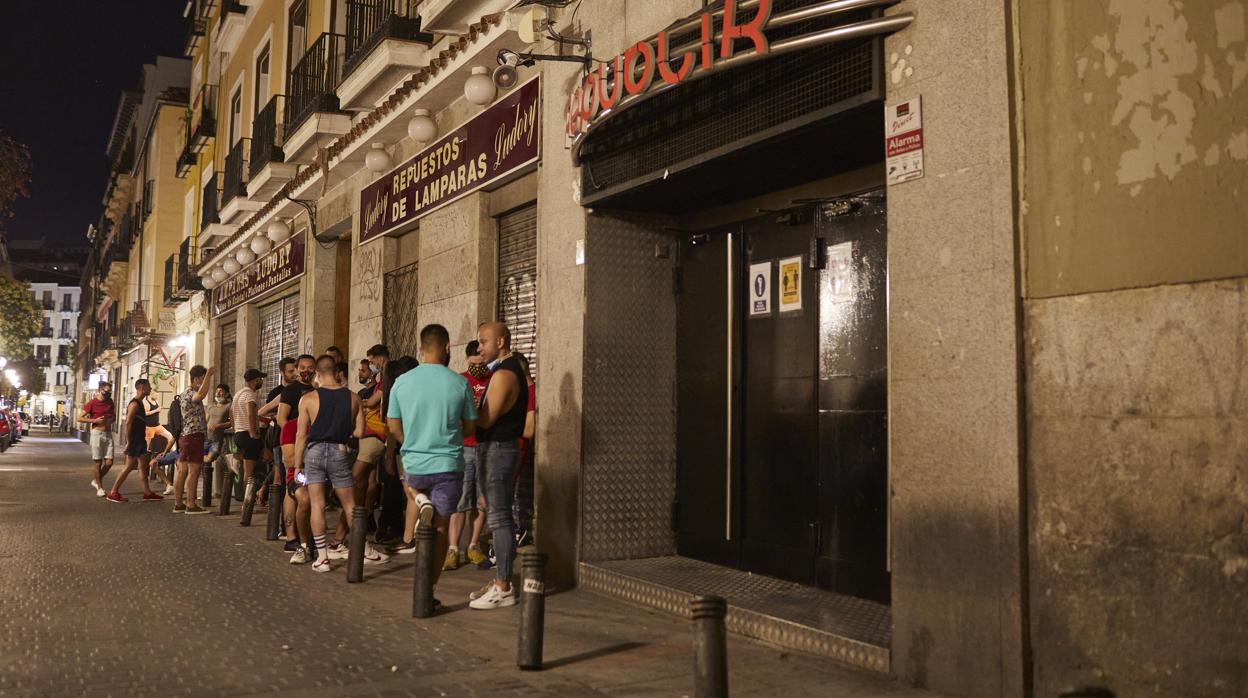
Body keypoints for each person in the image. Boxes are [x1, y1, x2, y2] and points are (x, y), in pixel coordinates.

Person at [387, 324, 476, 603]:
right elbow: (472, 428)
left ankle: (418, 497)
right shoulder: (460, 383)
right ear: (448, 348)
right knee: (439, 529)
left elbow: (392, 424)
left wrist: (409, 440)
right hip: (448, 464)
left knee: (410, 487)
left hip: (415, 461)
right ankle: (428, 591)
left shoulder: (402, 382)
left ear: (420, 350)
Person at [291, 355, 388, 572]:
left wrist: (298, 466)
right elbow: (360, 432)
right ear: (337, 373)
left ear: (318, 374)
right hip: (339, 451)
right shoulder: (353, 398)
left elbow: (301, 436)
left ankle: (323, 558)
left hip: (314, 452)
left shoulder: (308, 399)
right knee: (349, 503)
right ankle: (363, 548)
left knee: (317, 503)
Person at [469, 321, 530, 609]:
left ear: (501, 342)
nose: (479, 347)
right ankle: (500, 580)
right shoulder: (499, 370)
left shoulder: (506, 374)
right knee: (494, 512)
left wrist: (463, 411)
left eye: (483, 342)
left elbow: (486, 418)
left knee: (500, 519)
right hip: (491, 449)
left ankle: (504, 586)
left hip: (498, 450)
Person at [445, 341, 491, 568]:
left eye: (482, 362)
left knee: (482, 500)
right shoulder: (459, 381)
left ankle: (473, 545)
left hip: (486, 447)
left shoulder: (495, 379)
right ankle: (453, 549)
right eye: (475, 362)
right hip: (463, 448)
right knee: (460, 500)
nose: (479, 367)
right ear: (467, 359)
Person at [277, 356, 316, 562]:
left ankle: (307, 537)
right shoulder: (291, 391)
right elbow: (282, 418)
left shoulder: (317, 389)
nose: (305, 371)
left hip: (311, 445)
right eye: (302, 368)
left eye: (310, 368)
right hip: (292, 444)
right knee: (291, 489)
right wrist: (293, 440)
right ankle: (291, 535)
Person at [106, 379, 163, 503]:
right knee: (129, 466)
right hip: (135, 440)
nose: (150, 388)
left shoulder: (140, 403)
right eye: (148, 386)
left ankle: (147, 493)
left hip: (139, 440)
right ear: (142, 387)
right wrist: (128, 442)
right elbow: (128, 422)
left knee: (142, 467)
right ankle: (113, 492)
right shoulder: (135, 403)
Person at [173, 365, 214, 514]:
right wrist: (209, 375)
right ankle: (190, 504)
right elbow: (201, 395)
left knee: (182, 469)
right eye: (202, 379)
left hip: (185, 436)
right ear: (196, 379)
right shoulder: (191, 393)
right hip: (193, 435)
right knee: (194, 470)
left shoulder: (183, 394)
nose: (204, 383)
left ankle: (178, 503)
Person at [231, 368, 266, 510]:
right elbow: (251, 414)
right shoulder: (250, 395)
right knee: (250, 471)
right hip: (247, 434)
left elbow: (231, 412)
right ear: (256, 380)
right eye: (260, 379)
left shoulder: (238, 394)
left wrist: (235, 428)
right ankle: (248, 502)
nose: (262, 382)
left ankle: (252, 498)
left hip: (239, 433)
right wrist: (253, 432)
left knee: (248, 469)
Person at [80, 384, 116, 498]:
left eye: (110, 391)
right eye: (107, 391)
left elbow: (114, 416)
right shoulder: (92, 403)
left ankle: (96, 480)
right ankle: (100, 488)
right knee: (98, 462)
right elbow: (80, 418)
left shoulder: (110, 401)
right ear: (100, 390)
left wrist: (111, 420)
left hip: (108, 433)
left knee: (109, 462)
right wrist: (94, 420)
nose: (109, 393)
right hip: (97, 433)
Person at [140, 391, 175, 495]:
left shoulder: (156, 401)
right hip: (149, 427)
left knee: (169, 435)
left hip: (157, 425)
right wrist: (156, 410)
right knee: (147, 447)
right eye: (156, 394)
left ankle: (171, 451)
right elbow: (145, 413)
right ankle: (144, 463)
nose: (158, 395)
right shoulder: (145, 402)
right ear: (151, 393)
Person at [204, 383, 232, 501]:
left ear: (226, 394)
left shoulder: (229, 406)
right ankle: (207, 493)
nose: (218, 393)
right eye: (217, 391)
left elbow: (232, 422)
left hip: (219, 439)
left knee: (215, 462)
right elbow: (206, 420)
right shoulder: (210, 406)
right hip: (207, 438)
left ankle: (218, 491)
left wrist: (219, 426)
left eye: (221, 391)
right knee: (205, 465)